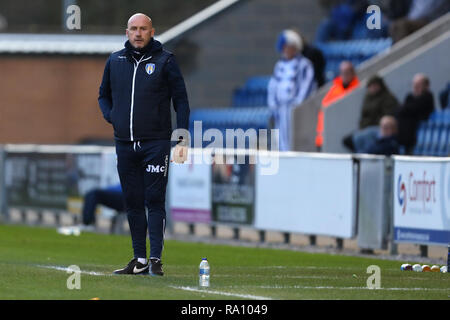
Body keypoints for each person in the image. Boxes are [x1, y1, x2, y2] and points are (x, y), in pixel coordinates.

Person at [98, 13, 190, 276]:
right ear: (126, 32)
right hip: (124, 143)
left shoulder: (166, 61)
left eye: (143, 29)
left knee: (154, 199)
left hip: (156, 143)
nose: (138, 33)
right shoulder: (114, 60)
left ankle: (156, 259)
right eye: (133, 29)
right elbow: (103, 95)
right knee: (133, 201)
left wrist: (182, 139)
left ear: (152, 32)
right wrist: (111, 116)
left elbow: (181, 101)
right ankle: (139, 259)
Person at [268, 29, 316, 151]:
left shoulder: (304, 64)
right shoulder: (279, 65)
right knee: (281, 138)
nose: (284, 50)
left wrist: (298, 103)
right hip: (281, 108)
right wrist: (273, 104)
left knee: (293, 137)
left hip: (294, 108)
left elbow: (307, 85)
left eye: (287, 47)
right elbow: (273, 85)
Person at [343, 75, 399, 152]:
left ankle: (364, 156)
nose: (372, 88)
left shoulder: (388, 98)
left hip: (379, 127)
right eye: (370, 86)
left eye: (374, 85)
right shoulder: (368, 98)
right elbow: (364, 115)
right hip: (366, 127)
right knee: (348, 140)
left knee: (368, 137)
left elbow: (387, 118)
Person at [315, 61, 360, 150]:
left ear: (353, 73)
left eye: (347, 72)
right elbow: (324, 108)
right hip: (327, 135)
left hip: (346, 134)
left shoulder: (357, 90)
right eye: (342, 72)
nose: (345, 75)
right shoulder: (334, 90)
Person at [396, 73, 435, 154]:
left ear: (426, 86)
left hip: (416, 131)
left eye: (418, 85)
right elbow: (400, 110)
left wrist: (406, 110)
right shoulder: (410, 97)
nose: (415, 87)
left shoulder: (427, 97)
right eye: (414, 84)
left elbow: (412, 109)